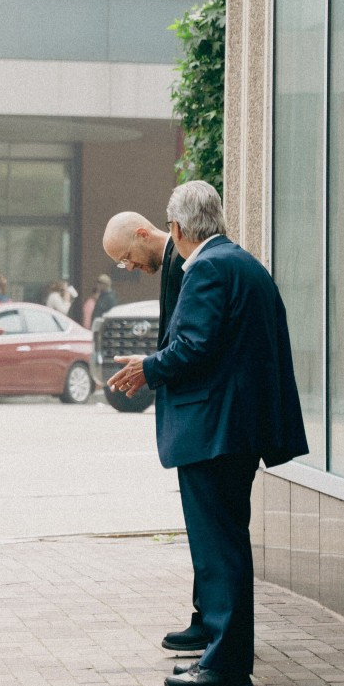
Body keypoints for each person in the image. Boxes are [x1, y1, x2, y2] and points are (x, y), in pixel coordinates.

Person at [107, 181, 309, 686]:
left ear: (174, 228)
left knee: (221, 549)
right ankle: (223, 649)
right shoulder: (236, 262)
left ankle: (226, 662)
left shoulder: (208, 269)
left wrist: (147, 368)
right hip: (230, 430)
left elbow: (195, 347)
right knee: (224, 543)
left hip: (217, 432)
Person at [104, 209, 202, 653]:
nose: (129, 268)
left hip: (199, 420)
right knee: (204, 535)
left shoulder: (186, 264)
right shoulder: (176, 264)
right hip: (189, 417)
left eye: (127, 257)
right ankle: (205, 618)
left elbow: (190, 345)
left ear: (145, 233)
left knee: (213, 536)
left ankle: (213, 624)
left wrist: (149, 369)